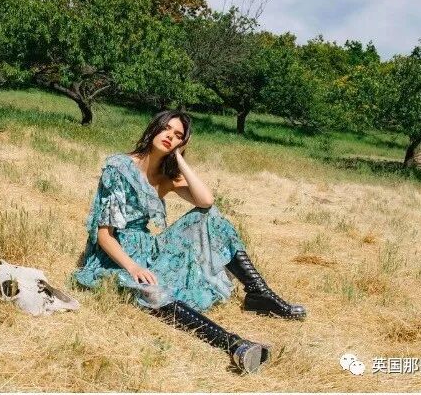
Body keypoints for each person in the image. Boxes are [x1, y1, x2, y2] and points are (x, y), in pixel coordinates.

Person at [72, 110, 307, 374]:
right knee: (153, 291)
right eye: (166, 129)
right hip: (114, 252)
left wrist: (180, 160)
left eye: (178, 136)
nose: (170, 137)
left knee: (211, 217)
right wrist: (133, 267)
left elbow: (206, 201)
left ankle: (258, 293)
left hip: (147, 245)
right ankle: (233, 345)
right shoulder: (119, 168)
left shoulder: (166, 176)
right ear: (154, 128)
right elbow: (104, 235)